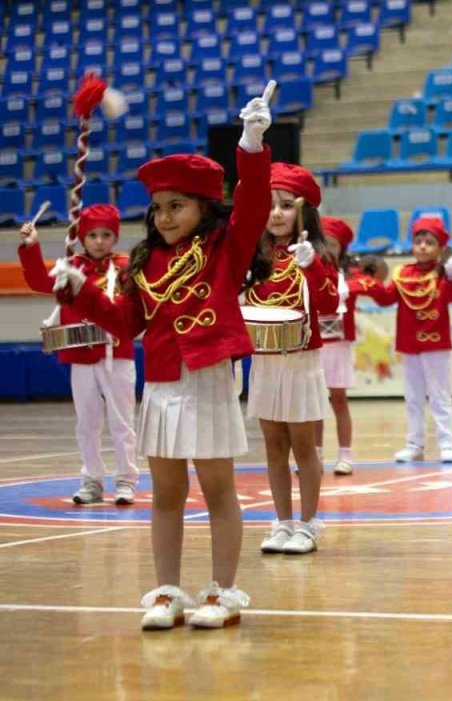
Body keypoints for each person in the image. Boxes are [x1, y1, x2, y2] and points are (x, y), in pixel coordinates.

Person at [52, 87, 274, 630]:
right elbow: (127, 323)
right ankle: (168, 591)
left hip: (209, 380)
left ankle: (222, 592)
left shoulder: (227, 246)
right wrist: (79, 289)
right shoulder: (145, 263)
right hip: (163, 384)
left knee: (219, 490)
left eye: (177, 205)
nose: (165, 216)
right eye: (158, 208)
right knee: (167, 494)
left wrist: (250, 145)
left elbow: (254, 203)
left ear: (204, 207)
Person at [245, 163, 341, 556]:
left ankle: (309, 522)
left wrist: (311, 265)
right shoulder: (254, 256)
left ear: (305, 213)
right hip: (265, 360)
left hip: (302, 360)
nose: (277, 213)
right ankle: (282, 521)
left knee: (304, 446)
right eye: (270, 206)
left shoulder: (316, 255)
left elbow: (330, 303)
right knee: (272, 445)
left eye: (286, 205)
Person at [19, 205, 139, 505]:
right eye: (93, 235)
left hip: (117, 354)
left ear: (115, 237)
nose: (99, 241)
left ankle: (126, 481)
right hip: (81, 356)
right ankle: (91, 480)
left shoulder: (126, 267)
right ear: (83, 237)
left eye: (106, 235)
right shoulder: (70, 266)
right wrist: (32, 246)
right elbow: (38, 282)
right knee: (86, 422)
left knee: (122, 421)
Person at [364, 216, 452, 464]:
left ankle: (447, 443)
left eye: (429, 242)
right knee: (413, 397)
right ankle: (414, 443)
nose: (422, 246)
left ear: (440, 249)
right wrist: (367, 282)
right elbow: (386, 299)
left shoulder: (443, 274)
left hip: (436, 342)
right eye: (418, 241)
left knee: (440, 396)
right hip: (409, 344)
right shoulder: (402, 273)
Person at [315, 217, 376, 476]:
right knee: (314, 404)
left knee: (339, 400)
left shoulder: (351, 273)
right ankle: (314, 454)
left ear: (342, 248)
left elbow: (380, 292)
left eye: (332, 244)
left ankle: (345, 455)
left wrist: (351, 286)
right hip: (314, 343)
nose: (327, 249)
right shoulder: (310, 270)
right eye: (323, 243)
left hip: (338, 345)